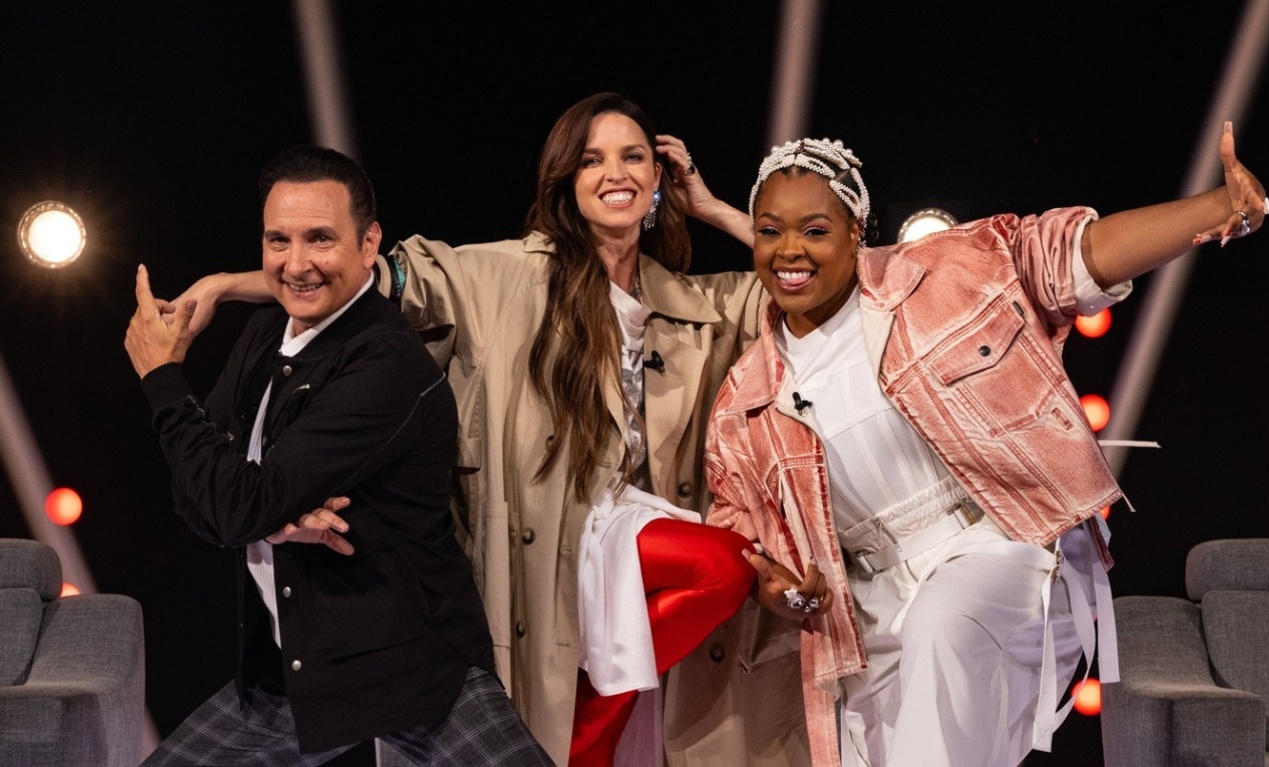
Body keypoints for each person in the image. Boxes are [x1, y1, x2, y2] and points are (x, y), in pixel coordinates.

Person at [170, 93, 807, 767]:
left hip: (627, 523)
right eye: (591, 159)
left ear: (659, 177)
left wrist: (709, 207)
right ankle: (584, 727)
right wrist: (231, 284)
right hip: (537, 537)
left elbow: (807, 278)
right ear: (567, 179)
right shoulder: (507, 272)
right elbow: (362, 275)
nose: (613, 173)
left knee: (722, 568)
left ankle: (591, 721)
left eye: (632, 157)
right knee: (713, 567)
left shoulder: (691, 303)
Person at [703, 129, 1269, 766]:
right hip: (867, 610)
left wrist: (1217, 207)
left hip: (991, 542)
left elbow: (1073, 255)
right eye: (769, 231)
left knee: (942, 629)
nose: (789, 252)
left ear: (856, 230)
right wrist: (784, 596)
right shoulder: (745, 401)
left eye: (814, 230)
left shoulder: (947, 271)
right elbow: (746, 539)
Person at [124, 145, 554, 766]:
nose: (297, 264)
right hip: (296, 676)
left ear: (369, 242)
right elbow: (199, 498)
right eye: (279, 241)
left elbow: (231, 501)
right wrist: (271, 515)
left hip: (412, 673)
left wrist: (163, 380)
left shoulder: (385, 365)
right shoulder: (265, 334)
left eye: (320, 239)